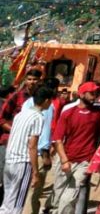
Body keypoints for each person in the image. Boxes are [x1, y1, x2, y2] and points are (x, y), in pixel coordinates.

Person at [51, 82, 100, 214]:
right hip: (67, 159)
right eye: (92, 93)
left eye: (96, 93)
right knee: (57, 197)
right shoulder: (68, 113)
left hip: (85, 161)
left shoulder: (98, 114)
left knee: (69, 197)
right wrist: (64, 160)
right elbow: (58, 139)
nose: (95, 96)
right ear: (81, 94)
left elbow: (99, 137)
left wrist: (95, 159)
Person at [0, 86, 52, 214]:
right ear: (46, 101)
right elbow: (32, 146)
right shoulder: (38, 117)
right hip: (22, 163)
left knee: (7, 201)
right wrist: (35, 171)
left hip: (10, 160)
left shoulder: (20, 115)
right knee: (17, 204)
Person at [0, 69, 42, 204]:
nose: (32, 82)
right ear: (25, 80)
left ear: (39, 81)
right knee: (3, 176)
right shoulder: (16, 96)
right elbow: (2, 119)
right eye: (29, 79)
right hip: (9, 142)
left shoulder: (41, 99)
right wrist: (17, 131)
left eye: (35, 80)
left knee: (19, 182)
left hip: (30, 146)